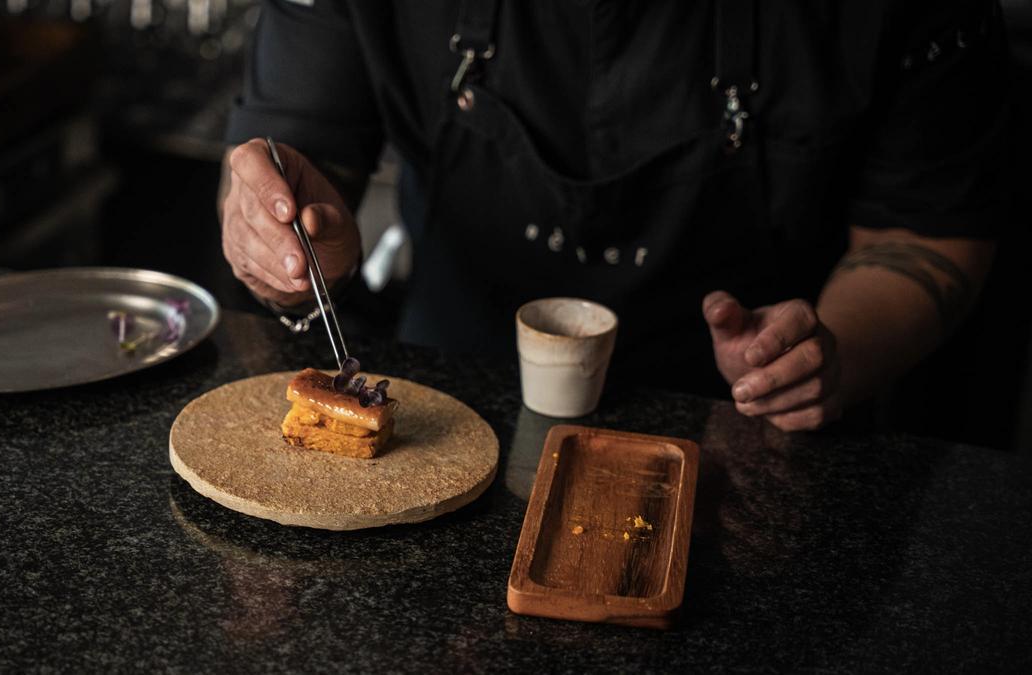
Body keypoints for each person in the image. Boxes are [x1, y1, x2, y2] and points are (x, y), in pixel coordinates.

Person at [219, 0, 1010, 431]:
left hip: (749, 445)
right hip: (450, 414)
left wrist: (827, 355)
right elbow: (294, 146)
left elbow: (924, 230)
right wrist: (279, 244)